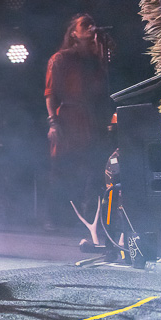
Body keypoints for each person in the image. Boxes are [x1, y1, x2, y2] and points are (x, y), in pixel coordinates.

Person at [44, 14, 114, 230]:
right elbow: (50, 94)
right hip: (68, 118)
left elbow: (102, 90)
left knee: (93, 168)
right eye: (85, 25)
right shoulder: (60, 59)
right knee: (63, 169)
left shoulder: (96, 60)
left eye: (92, 23)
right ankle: (55, 218)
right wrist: (53, 123)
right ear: (74, 33)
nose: (91, 27)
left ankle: (89, 218)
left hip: (91, 118)